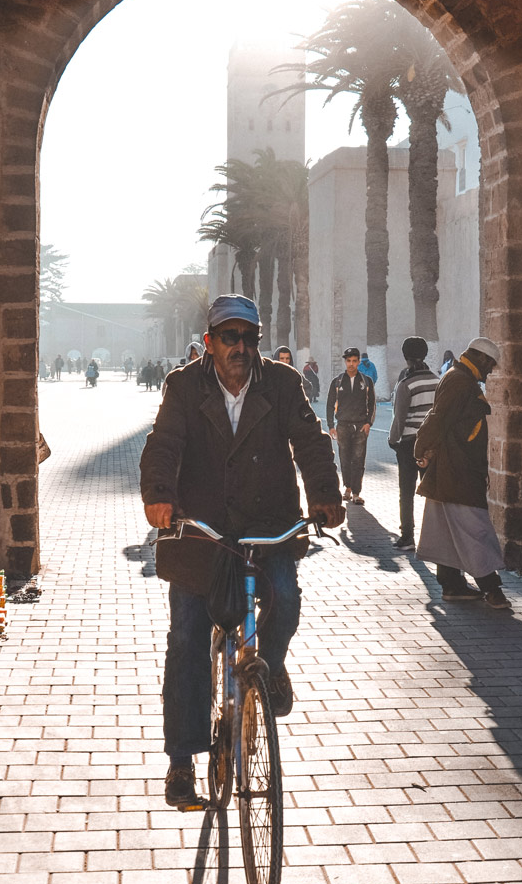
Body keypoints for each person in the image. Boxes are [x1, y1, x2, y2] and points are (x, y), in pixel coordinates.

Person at [140, 294, 344, 809]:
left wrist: (324, 493)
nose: (240, 347)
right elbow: (164, 443)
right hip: (200, 532)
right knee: (187, 638)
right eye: (229, 337)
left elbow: (312, 441)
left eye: (249, 338)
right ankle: (183, 760)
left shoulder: (282, 382)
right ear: (209, 343)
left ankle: (268, 668)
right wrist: (159, 496)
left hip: (266, 525)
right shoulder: (184, 386)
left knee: (285, 600)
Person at [413, 336, 511, 610]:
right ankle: (492, 589)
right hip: (458, 472)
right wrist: (422, 447)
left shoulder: (458, 377)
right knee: (474, 529)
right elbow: (438, 417)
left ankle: (451, 585)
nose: (491, 370)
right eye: (490, 364)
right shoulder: (460, 381)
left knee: (445, 529)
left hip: (452, 471)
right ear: (479, 358)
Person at [388, 337, 440, 550]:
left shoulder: (406, 384)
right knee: (432, 492)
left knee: (406, 491)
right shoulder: (437, 381)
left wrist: (392, 440)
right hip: (431, 445)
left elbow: (399, 419)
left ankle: (407, 537)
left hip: (409, 444)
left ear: (405, 356)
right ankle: (435, 537)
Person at [326, 347, 376, 505]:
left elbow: (372, 404)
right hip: (342, 426)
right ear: (345, 362)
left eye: (354, 361)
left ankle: (356, 493)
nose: (351, 364)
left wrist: (369, 423)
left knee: (359, 459)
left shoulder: (366, 381)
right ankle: (347, 488)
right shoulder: (338, 381)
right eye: (349, 361)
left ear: (359, 362)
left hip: (361, 426)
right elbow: (329, 404)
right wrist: (331, 425)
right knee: (345, 458)